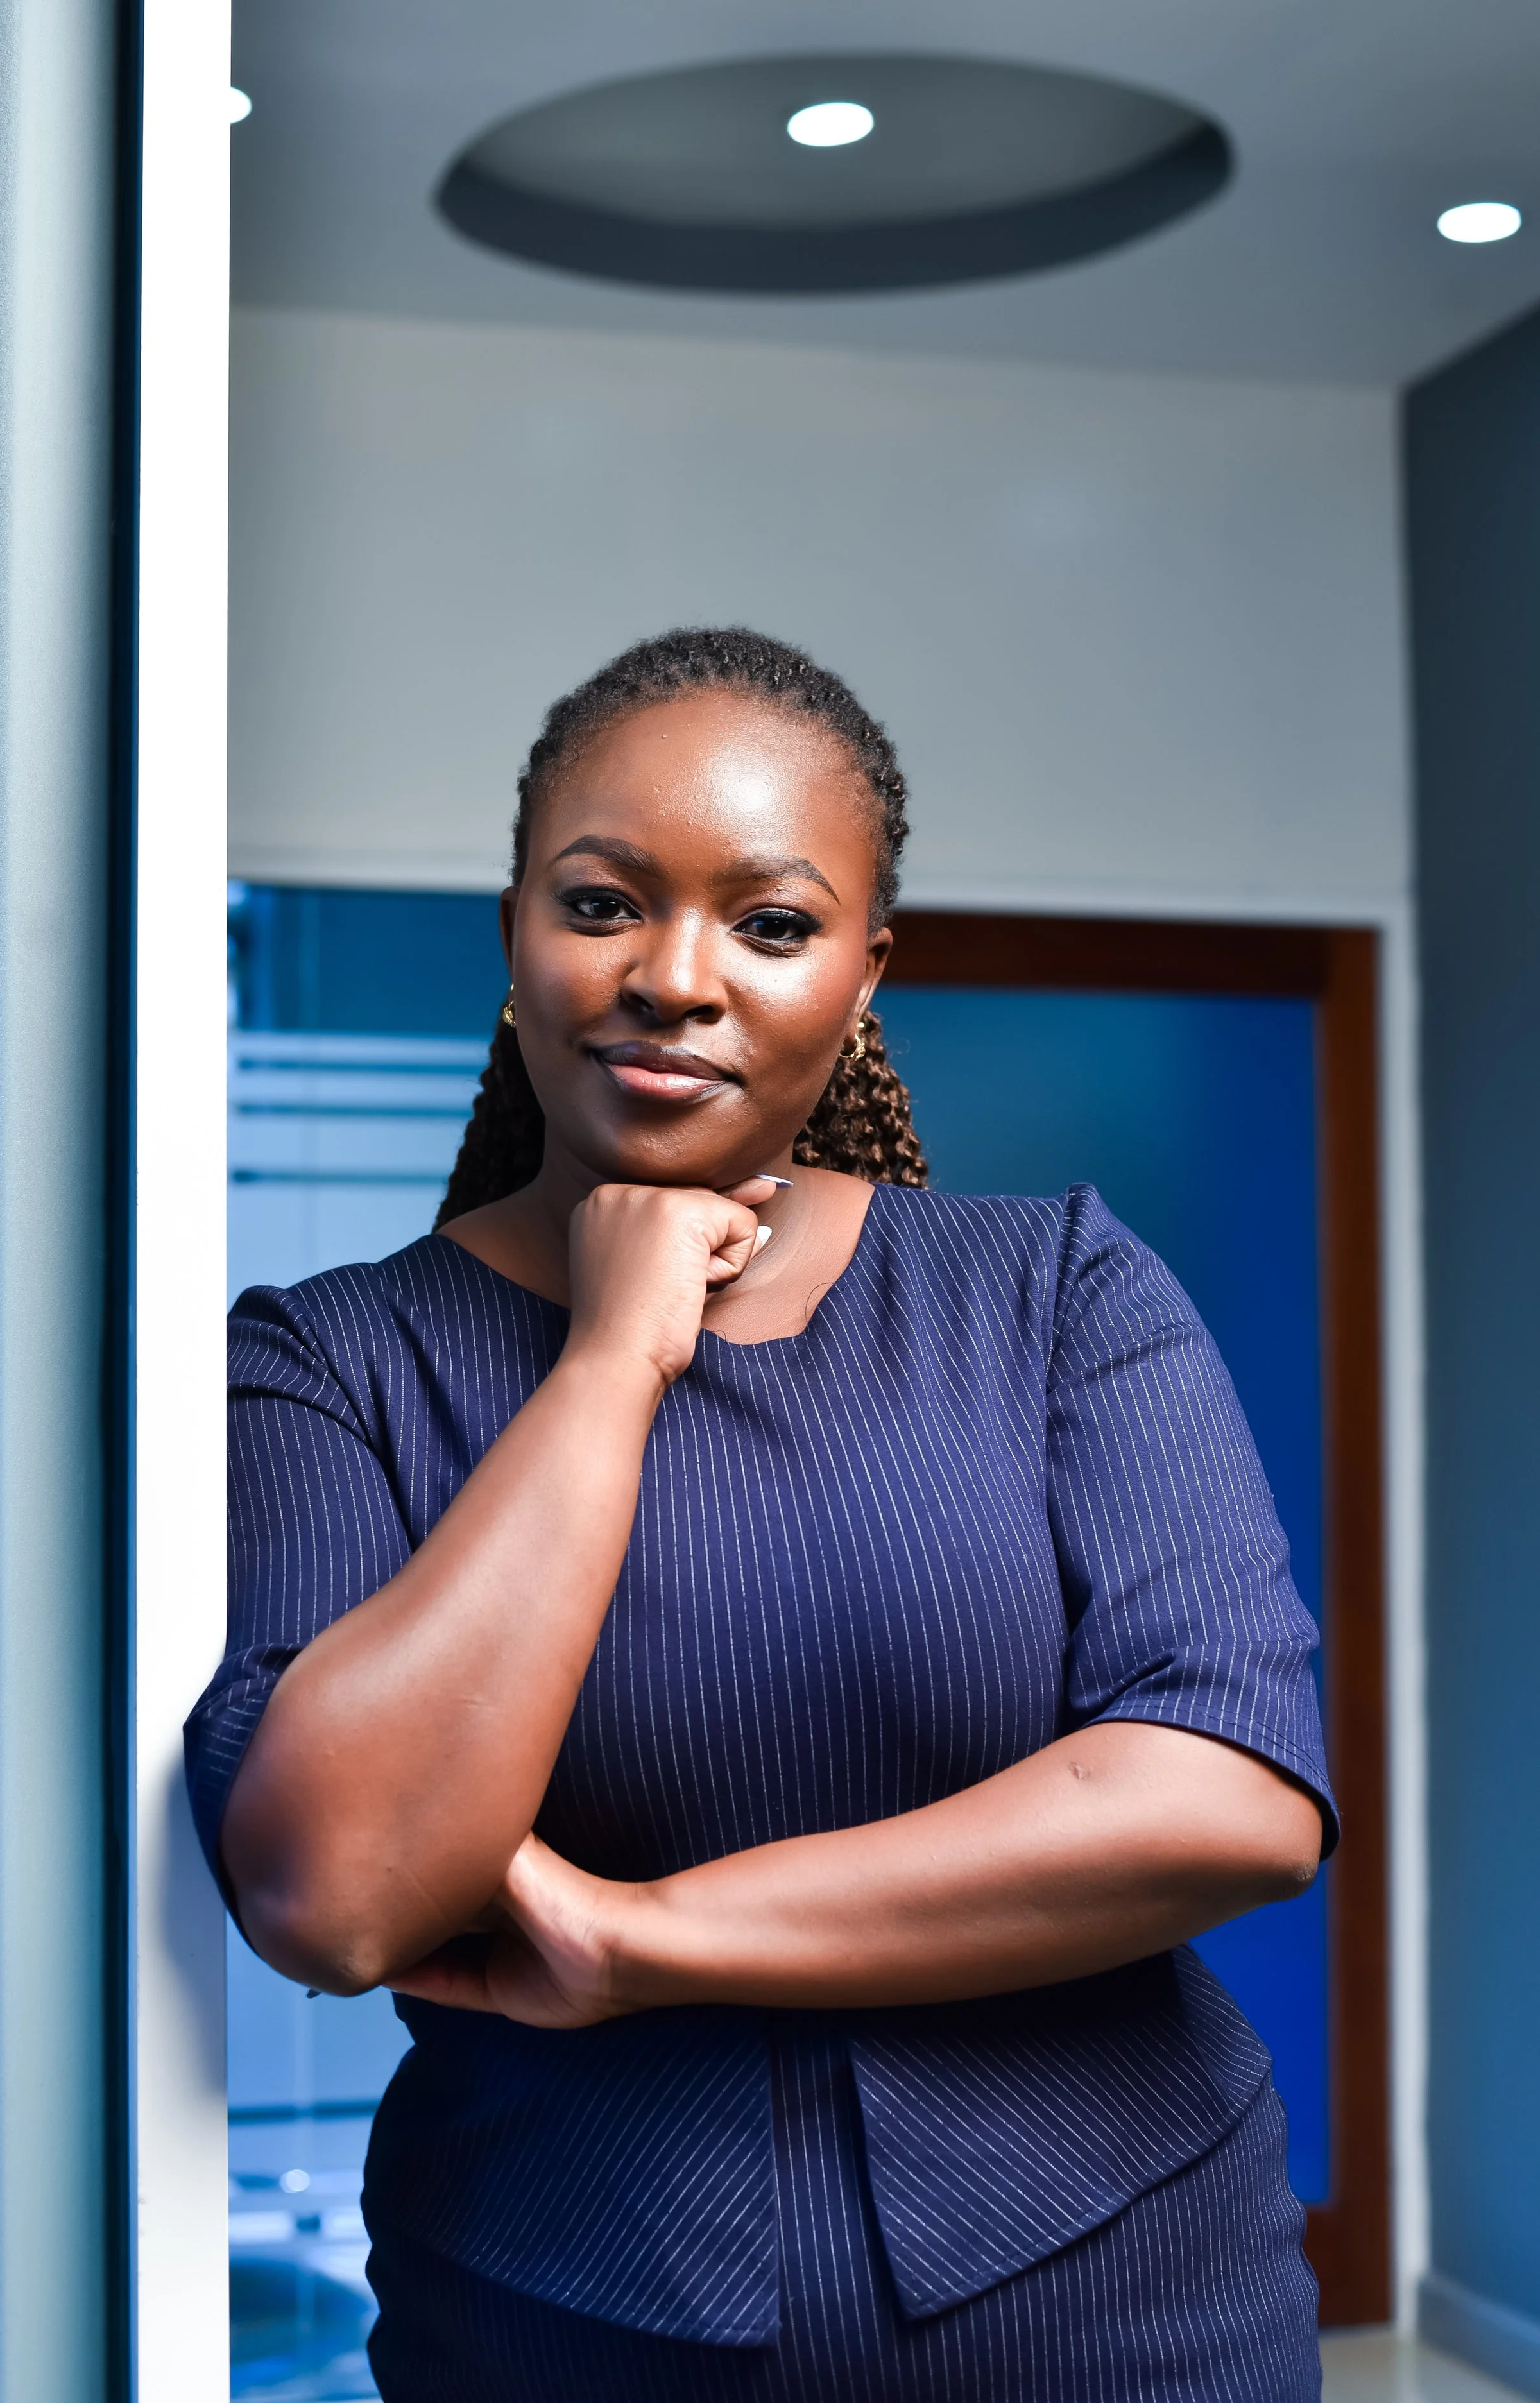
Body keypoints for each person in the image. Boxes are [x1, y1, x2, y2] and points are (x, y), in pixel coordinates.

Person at [187, 626, 1335, 2402]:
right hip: (560, 2331)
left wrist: (641, 1941)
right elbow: (335, 1894)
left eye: (772, 924)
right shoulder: (329, 1364)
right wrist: (611, 1363)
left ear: (865, 973)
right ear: (514, 930)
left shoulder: (1056, 1294)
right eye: (602, 904)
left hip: (1127, 2314)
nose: (674, 978)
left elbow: (1226, 1796)